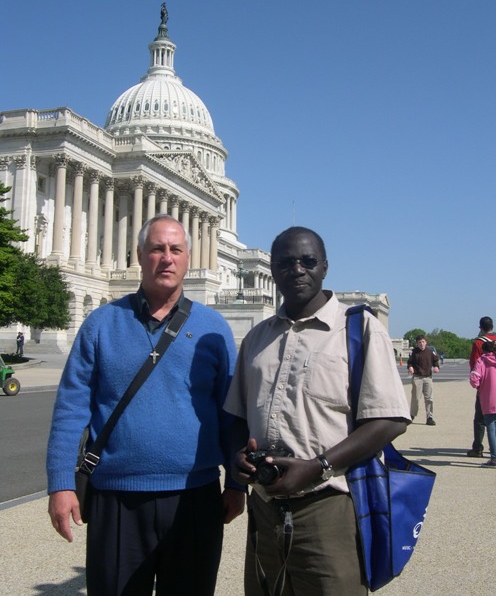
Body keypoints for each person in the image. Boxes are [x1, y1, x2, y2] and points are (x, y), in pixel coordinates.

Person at [47, 214, 245, 596]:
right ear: (140, 255)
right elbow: (72, 407)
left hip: (194, 496)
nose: (166, 258)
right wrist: (60, 484)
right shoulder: (102, 323)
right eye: (157, 249)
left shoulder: (213, 327)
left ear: (189, 257)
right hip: (116, 497)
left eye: (175, 249)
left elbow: (230, 413)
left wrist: (237, 483)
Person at [224, 226, 410, 595]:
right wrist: (237, 457)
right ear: (272, 270)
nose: (297, 270)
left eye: (308, 261)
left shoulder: (359, 328)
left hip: (329, 504)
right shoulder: (257, 338)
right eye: (286, 263)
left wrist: (317, 466)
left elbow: (389, 418)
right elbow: (237, 416)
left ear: (324, 267)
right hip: (265, 506)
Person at [467, 316, 496, 458]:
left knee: (480, 419)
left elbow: (474, 364)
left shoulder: (478, 343)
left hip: (486, 388)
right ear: (493, 326)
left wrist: (477, 384)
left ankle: (478, 448)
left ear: (481, 328)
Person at [407, 335, 440, 425]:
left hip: (428, 378)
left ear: (426, 342)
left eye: (423, 342)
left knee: (429, 398)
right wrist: (410, 367)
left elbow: (435, 361)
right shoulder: (414, 353)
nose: (421, 344)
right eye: (419, 342)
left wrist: (436, 367)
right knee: (416, 398)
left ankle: (429, 417)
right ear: (417, 344)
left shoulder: (430, 352)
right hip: (417, 377)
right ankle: (412, 415)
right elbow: (409, 362)